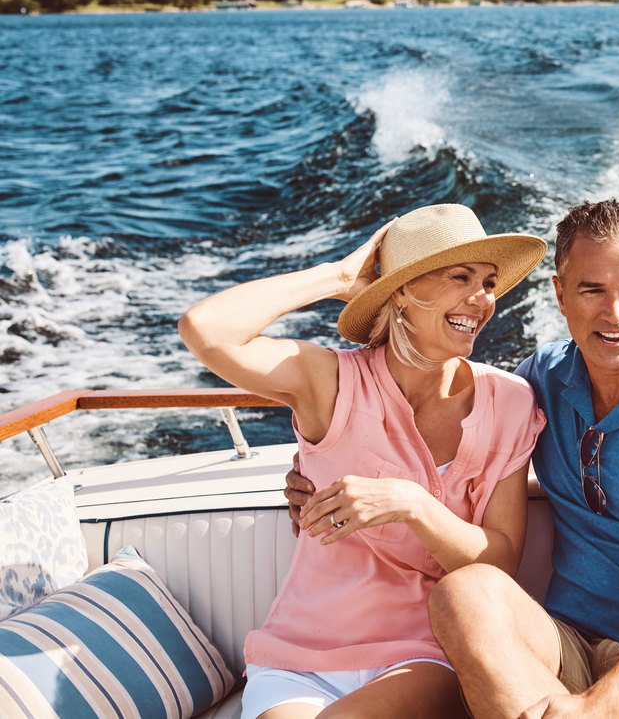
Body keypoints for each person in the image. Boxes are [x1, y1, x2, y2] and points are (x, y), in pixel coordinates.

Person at [289, 199, 619, 719]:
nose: (614, 314)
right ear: (560, 295)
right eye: (592, 290)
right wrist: (318, 476)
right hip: (566, 648)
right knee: (465, 593)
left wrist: (602, 706)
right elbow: (450, 447)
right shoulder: (540, 381)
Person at [180, 203, 548, 719]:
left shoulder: (510, 401)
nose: (481, 298)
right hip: (299, 657)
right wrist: (338, 276)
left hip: (425, 654)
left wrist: (412, 503)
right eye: (460, 277)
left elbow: (498, 562)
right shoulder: (329, 382)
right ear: (402, 290)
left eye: (488, 282)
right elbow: (205, 328)